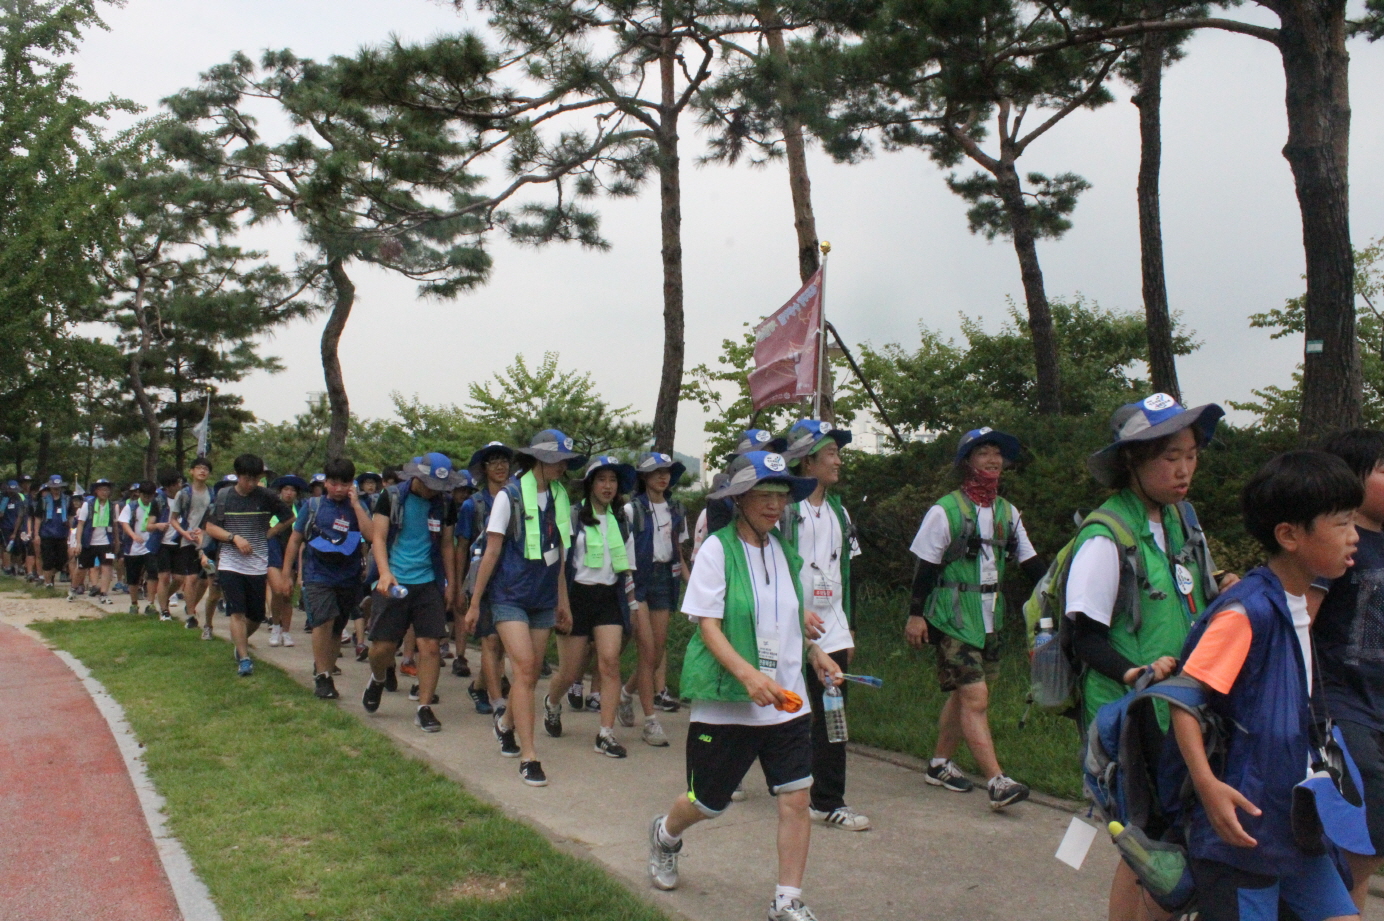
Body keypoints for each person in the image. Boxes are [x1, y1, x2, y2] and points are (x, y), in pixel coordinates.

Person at [1164, 450, 1362, 921]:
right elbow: (1183, 698)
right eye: (1341, 524)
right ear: (1289, 535)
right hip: (1243, 831)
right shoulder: (1246, 611)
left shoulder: (1298, 603)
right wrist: (1209, 789)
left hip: (1294, 824)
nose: (1354, 536)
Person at [646, 450, 840, 921]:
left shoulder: (783, 551)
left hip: (786, 701)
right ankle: (666, 834)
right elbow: (707, 626)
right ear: (739, 499)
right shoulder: (717, 549)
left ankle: (787, 900)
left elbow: (789, 617)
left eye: (780, 495)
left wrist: (817, 654)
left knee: (796, 796)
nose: (774, 505)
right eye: (763, 495)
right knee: (707, 803)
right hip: (729, 704)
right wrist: (748, 675)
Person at [1065, 394, 1233, 921]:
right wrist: (1136, 673)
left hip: (1182, 708)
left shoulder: (1183, 519)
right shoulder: (1106, 535)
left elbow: (1194, 591)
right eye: (1169, 457)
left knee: (1152, 851)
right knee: (1157, 854)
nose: (1184, 469)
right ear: (1132, 462)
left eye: (1190, 454)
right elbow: (1082, 638)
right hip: (1134, 718)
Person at [904, 427, 1044, 811]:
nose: (992, 460)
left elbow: (1029, 561)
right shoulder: (945, 510)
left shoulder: (1007, 513)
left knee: (966, 695)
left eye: (997, 453)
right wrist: (916, 616)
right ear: (967, 461)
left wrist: (1056, 594)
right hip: (951, 617)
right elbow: (925, 568)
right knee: (975, 696)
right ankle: (997, 781)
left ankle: (938, 764)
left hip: (989, 618)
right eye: (983, 452)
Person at [465, 431, 583, 786]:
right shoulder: (510, 496)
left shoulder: (561, 496)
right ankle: (530, 757)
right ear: (540, 461)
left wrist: (563, 600)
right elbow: (492, 551)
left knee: (528, 675)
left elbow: (560, 555)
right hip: (509, 596)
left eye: (565, 461)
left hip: (543, 597)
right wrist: (474, 603)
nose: (563, 466)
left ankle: (505, 724)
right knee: (527, 667)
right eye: (557, 460)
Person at [778, 419, 869, 831]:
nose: (838, 461)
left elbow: (845, 573)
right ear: (806, 462)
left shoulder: (839, 510)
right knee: (785, 708)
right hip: (787, 624)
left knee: (833, 707)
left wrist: (845, 628)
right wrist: (796, 612)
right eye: (831, 453)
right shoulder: (784, 512)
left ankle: (827, 799)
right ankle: (776, 781)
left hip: (830, 625)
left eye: (837, 452)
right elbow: (774, 568)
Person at [1313, 430, 1384, 915]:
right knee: (1360, 835)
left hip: (1380, 702)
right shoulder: (1339, 546)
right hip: (1342, 703)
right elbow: (1303, 621)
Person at [543, 455, 639, 757]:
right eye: (602, 480)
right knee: (570, 673)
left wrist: (633, 606)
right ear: (589, 484)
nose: (608, 486)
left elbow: (628, 567)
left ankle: (605, 734)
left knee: (609, 662)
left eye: (612, 480)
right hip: (576, 597)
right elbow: (559, 563)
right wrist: (561, 602)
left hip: (609, 597)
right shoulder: (572, 517)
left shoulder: (621, 520)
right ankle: (552, 703)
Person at [361, 453, 463, 733]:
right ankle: (378, 678)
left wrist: (451, 584)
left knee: (430, 646)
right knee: (382, 648)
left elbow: (446, 545)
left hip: (428, 581)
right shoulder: (391, 497)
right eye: (430, 483)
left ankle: (424, 707)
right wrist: (384, 573)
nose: (434, 490)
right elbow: (378, 538)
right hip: (394, 579)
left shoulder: (443, 504)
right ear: (417, 476)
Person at [282, 457, 371, 700]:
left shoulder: (359, 506)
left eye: (345, 483)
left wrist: (356, 506)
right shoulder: (313, 506)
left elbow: (371, 535)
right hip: (317, 574)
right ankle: (323, 677)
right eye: (333, 483)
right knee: (323, 620)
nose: (339, 488)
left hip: (348, 576)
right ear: (325, 482)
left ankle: (325, 665)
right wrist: (287, 573)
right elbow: (295, 539)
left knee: (337, 627)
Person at [617, 452, 690, 747]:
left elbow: (678, 551)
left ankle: (625, 694)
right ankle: (650, 721)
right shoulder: (631, 510)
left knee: (656, 654)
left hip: (665, 581)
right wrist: (629, 590)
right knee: (646, 649)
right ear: (644, 477)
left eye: (667, 471)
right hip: (638, 580)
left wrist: (692, 584)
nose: (663, 476)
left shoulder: (676, 509)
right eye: (656, 472)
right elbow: (623, 554)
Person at [203, 454, 294, 677]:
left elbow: (289, 517)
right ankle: (244, 658)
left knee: (256, 614)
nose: (252, 483)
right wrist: (234, 538)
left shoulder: (267, 497)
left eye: (256, 479)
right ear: (238, 476)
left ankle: (240, 643)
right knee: (237, 612)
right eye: (247, 479)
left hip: (257, 563)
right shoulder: (224, 496)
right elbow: (210, 527)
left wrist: (271, 533)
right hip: (230, 563)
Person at [457, 441, 515, 714]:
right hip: (483, 580)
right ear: (484, 468)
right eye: (493, 461)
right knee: (490, 640)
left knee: (502, 643)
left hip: (512, 578)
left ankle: (479, 686)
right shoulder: (473, 505)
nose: (500, 466)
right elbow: (461, 547)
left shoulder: (517, 499)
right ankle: (496, 701)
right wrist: (460, 586)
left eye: (504, 460)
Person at [691, 430, 786, 563]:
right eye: (760, 453)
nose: (767, 459)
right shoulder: (722, 500)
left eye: (771, 454)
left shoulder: (783, 548)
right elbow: (723, 552)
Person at [169, 457, 214, 631]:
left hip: (207, 540)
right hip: (188, 541)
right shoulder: (184, 493)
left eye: (206, 469)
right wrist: (184, 533)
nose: (203, 471)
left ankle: (190, 605)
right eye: (199, 468)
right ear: (192, 471)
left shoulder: (213, 493)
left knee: (206, 579)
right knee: (191, 577)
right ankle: (191, 615)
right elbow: (173, 519)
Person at [266, 474, 307, 648]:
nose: (289, 493)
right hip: (274, 549)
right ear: (280, 492)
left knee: (287, 593)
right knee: (277, 590)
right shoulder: (271, 509)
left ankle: (286, 631)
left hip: (291, 552)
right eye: (286, 490)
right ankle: (276, 626)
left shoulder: (301, 510)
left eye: (292, 490)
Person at [117, 481, 162, 613]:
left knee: (153, 573)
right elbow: (124, 522)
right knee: (133, 577)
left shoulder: (157, 505)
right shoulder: (131, 506)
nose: (147, 499)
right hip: (134, 547)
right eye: (145, 496)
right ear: (139, 494)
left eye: (150, 496)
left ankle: (151, 603)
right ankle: (134, 603)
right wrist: (133, 536)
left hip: (151, 545)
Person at [75, 478, 118, 604]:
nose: (105, 492)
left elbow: (114, 525)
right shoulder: (88, 505)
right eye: (102, 490)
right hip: (89, 541)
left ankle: (104, 593)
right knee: (82, 567)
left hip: (106, 541)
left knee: (107, 567)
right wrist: (78, 542)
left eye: (107, 490)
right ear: (96, 491)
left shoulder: (112, 506)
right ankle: (74, 587)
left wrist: (116, 541)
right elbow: (81, 524)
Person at [150, 470, 181, 619]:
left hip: (180, 542)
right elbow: (148, 525)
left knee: (180, 578)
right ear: (169, 487)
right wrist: (158, 526)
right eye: (176, 484)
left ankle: (164, 597)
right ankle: (164, 610)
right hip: (163, 544)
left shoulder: (184, 498)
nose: (179, 486)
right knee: (163, 577)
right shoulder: (158, 501)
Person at [33, 474, 70, 588]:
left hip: (62, 534)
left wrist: (71, 533)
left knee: (62, 560)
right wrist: (36, 535)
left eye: (58, 488)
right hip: (47, 534)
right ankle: (48, 583)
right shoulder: (44, 501)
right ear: (50, 488)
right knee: (47, 560)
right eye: (54, 488)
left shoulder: (67, 500)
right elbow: (38, 519)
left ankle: (49, 576)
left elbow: (72, 517)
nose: (56, 490)